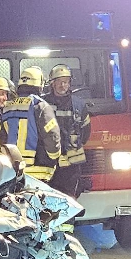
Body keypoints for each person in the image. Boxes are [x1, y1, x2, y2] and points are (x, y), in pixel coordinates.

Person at [0, 66, 62, 181]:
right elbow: (52, 135)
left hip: (12, 168)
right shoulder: (40, 106)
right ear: (39, 85)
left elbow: (2, 135)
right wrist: (54, 156)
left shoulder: (8, 106)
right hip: (38, 168)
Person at [41, 64, 87, 192]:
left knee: (70, 199)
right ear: (52, 84)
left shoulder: (79, 105)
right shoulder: (42, 103)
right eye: (60, 82)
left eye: (66, 82)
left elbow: (85, 132)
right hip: (48, 162)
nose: (63, 86)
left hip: (71, 165)